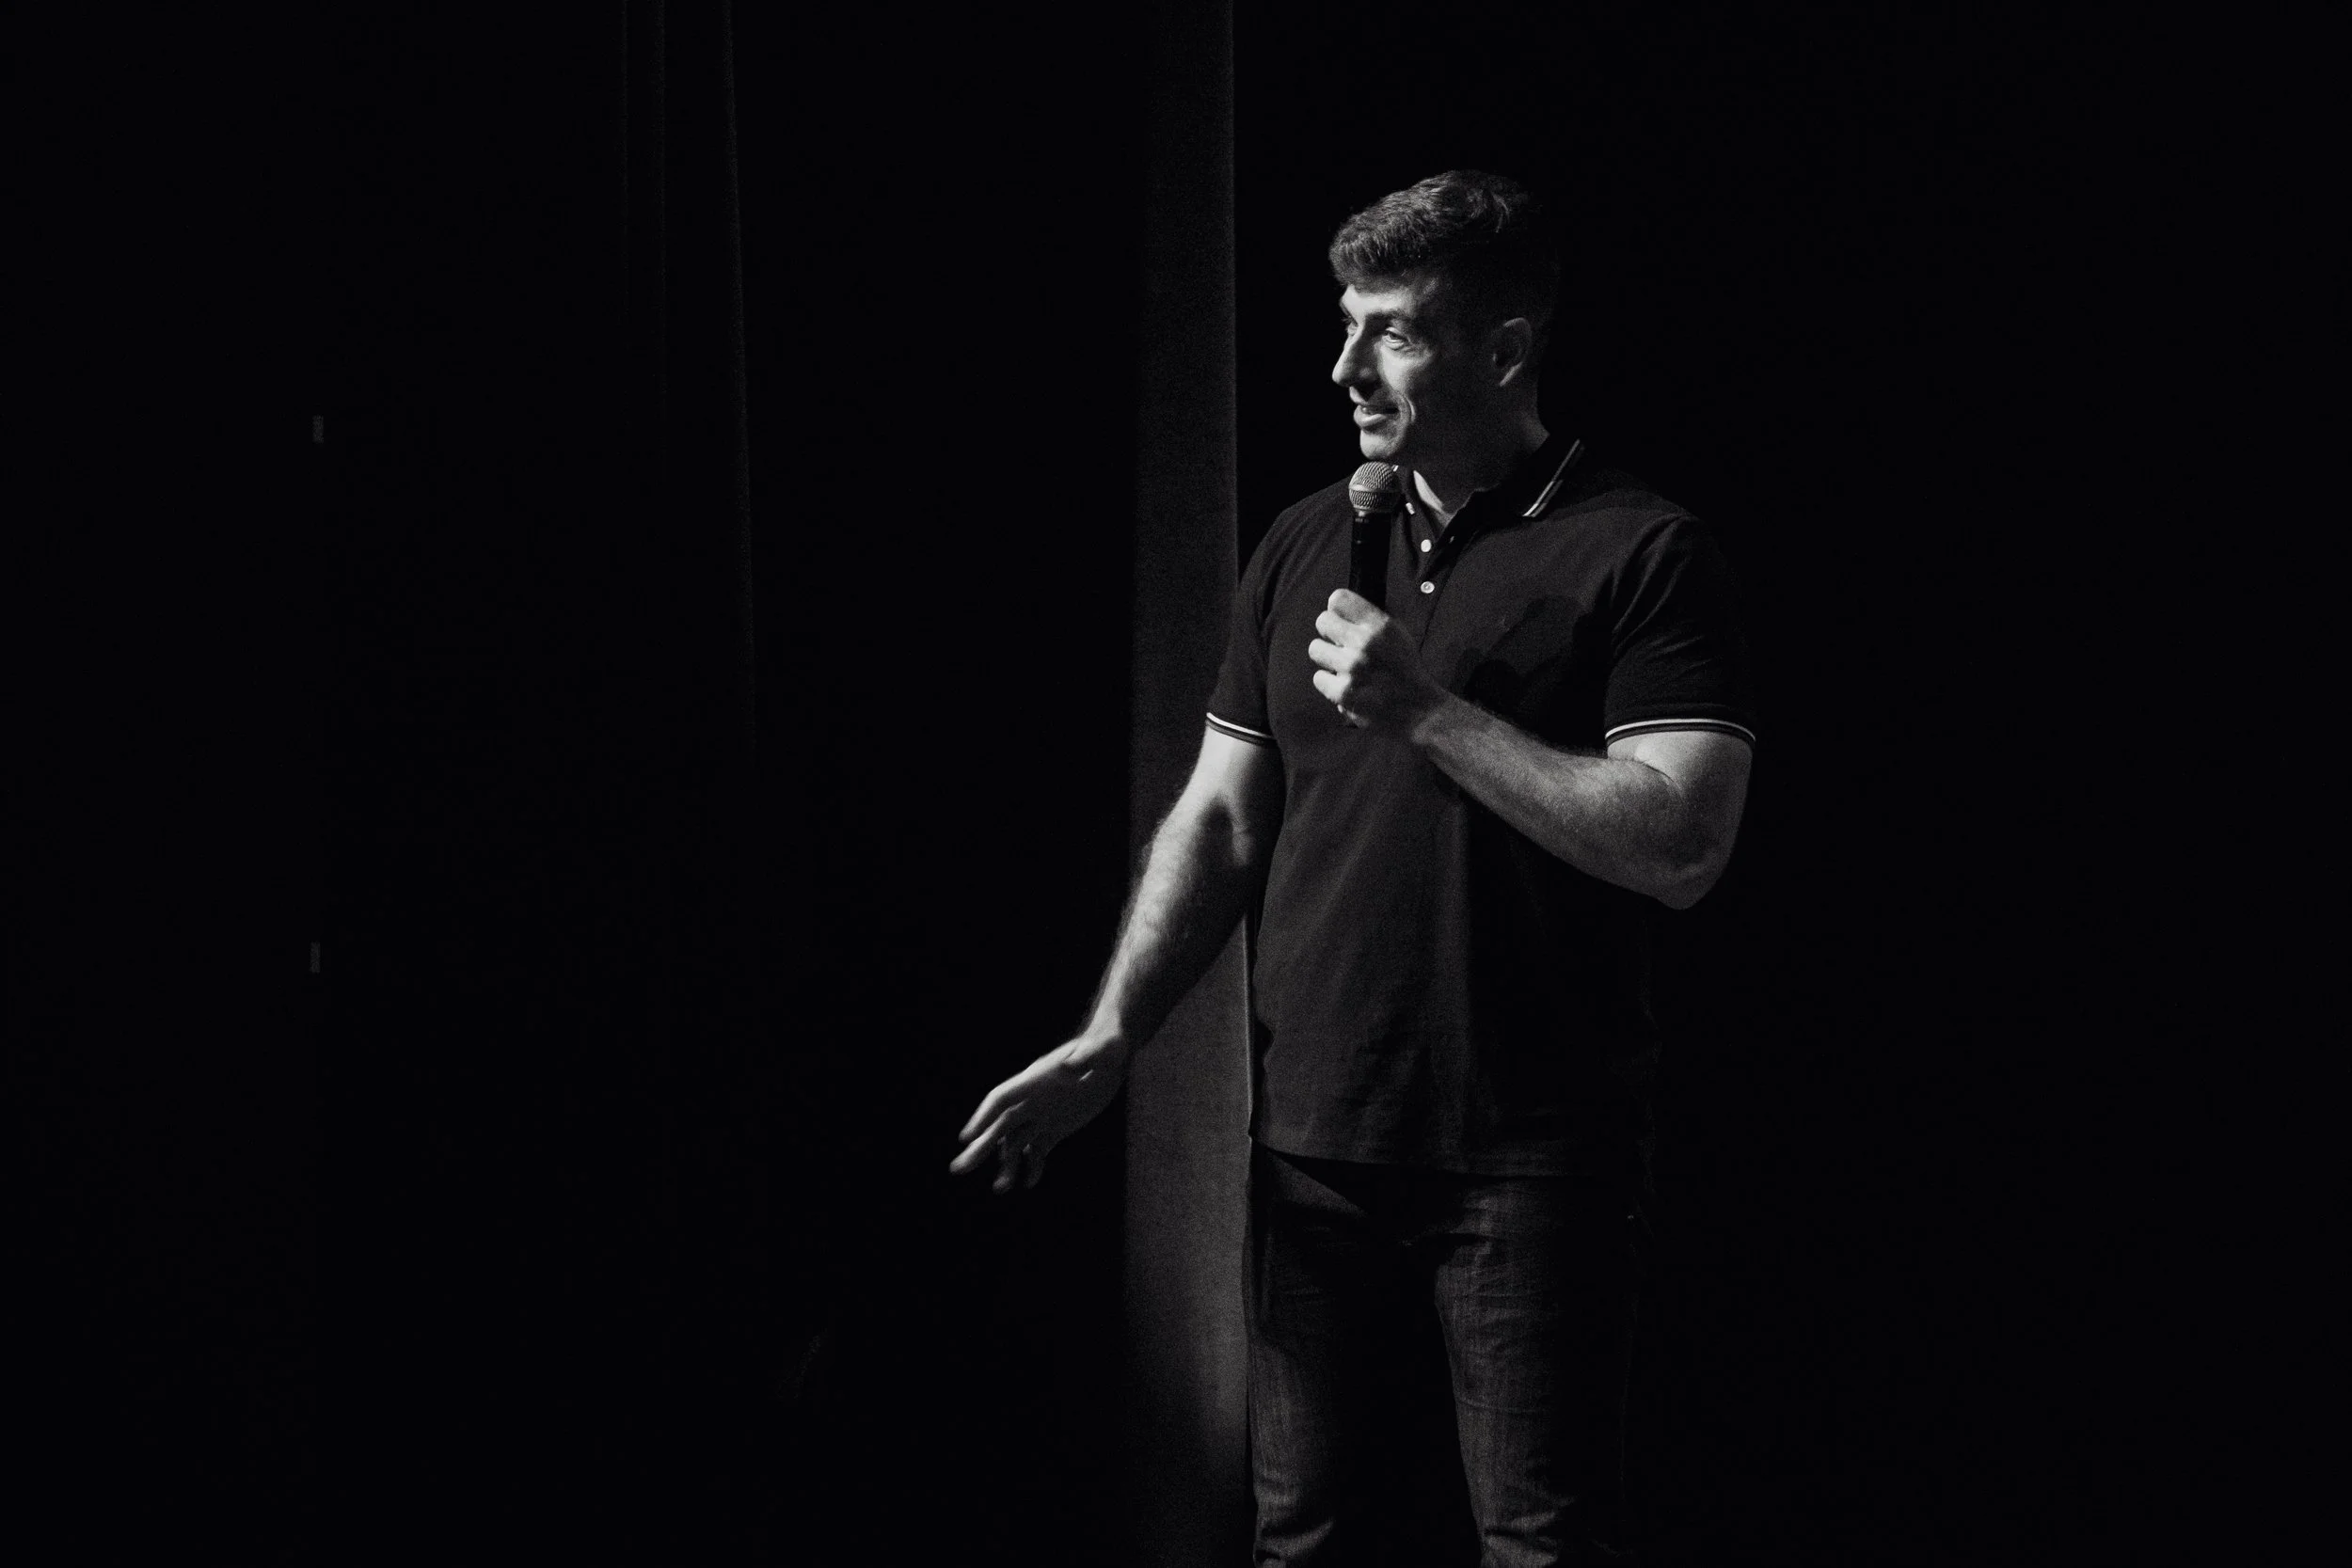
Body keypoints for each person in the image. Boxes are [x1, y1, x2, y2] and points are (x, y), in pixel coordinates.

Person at [951, 169, 1756, 1566]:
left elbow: (1682, 841)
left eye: (1389, 330)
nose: (1343, 366)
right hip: (1317, 1151)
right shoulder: (1309, 540)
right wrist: (1111, 1036)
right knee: (1302, 1540)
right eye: (1345, 325)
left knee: (1540, 1547)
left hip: (1532, 1162)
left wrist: (1425, 710)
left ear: (1502, 349)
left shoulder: (1641, 548)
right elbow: (1218, 816)